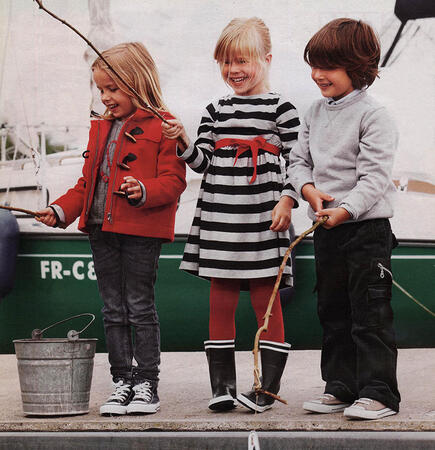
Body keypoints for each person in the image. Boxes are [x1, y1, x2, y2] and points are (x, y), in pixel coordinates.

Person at [36, 42, 186, 416]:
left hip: (142, 233)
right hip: (101, 231)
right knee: (112, 309)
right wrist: (59, 210)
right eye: (101, 89)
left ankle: (146, 384)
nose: (105, 97)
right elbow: (87, 184)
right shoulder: (100, 127)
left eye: (113, 88)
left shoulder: (165, 125)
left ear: (138, 82)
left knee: (139, 306)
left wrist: (144, 190)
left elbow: (174, 181)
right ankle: (122, 382)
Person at [162, 17, 300, 413]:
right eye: (225, 62)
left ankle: (266, 390)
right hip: (219, 221)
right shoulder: (214, 110)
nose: (233, 70)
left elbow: (299, 163)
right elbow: (202, 162)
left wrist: (288, 200)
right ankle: (222, 387)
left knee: (265, 303)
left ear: (266, 59)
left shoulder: (282, 109)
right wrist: (183, 140)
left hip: (262, 222)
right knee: (219, 302)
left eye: (242, 61)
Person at [285, 18, 401, 420]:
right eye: (314, 66)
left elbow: (374, 179)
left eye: (328, 67)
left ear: (358, 67)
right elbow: (298, 162)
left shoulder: (374, 115)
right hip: (326, 230)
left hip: (367, 231)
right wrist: (307, 190)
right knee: (332, 311)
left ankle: (380, 393)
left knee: (370, 314)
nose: (318, 75)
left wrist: (346, 209)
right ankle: (340, 386)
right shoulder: (313, 113)